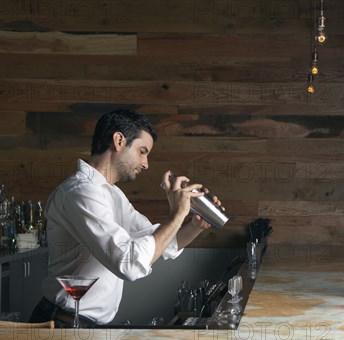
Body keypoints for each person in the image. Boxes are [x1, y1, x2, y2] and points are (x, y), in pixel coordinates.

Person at [30, 109, 220, 326]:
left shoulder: (111, 194)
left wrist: (195, 225)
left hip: (85, 324)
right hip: (62, 321)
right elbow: (128, 263)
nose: (146, 163)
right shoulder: (81, 192)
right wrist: (176, 214)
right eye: (142, 151)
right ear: (119, 140)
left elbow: (156, 243)